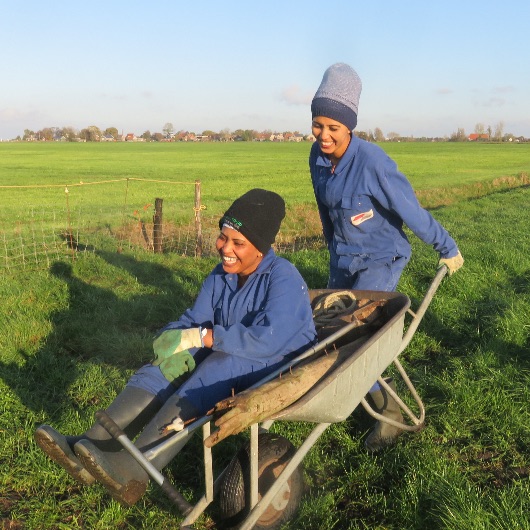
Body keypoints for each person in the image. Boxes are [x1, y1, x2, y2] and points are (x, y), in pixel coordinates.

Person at [35, 188, 317, 506]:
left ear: (262, 249)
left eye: (238, 243)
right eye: (223, 237)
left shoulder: (283, 278)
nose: (225, 248)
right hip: (232, 346)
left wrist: (205, 338)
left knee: (217, 367)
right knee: (170, 362)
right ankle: (94, 442)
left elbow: (268, 339)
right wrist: (173, 339)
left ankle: (139, 467)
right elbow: (195, 319)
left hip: (277, 359)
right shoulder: (221, 275)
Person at [309, 63, 464, 451]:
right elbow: (325, 209)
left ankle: (390, 414)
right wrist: (333, 251)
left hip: (380, 258)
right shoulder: (316, 158)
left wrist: (447, 247)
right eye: (318, 124)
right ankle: (353, 397)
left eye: (333, 127)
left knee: (360, 336)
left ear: (350, 126)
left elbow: (410, 210)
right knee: (328, 331)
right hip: (343, 257)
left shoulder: (373, 163)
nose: (324, 135)